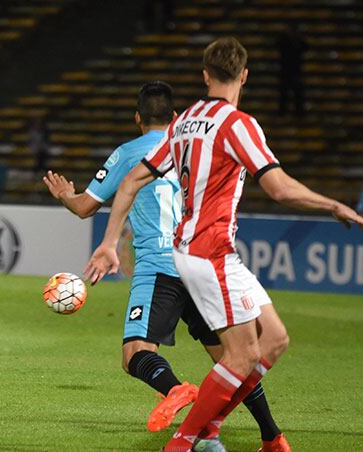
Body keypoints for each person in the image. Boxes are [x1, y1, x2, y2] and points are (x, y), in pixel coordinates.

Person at [85, 37, 363, 452]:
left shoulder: (185, 122)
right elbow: (279, 189)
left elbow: (130, 182)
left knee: (274, 340)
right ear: (244, 76)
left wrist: (110, 242)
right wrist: (332, 204)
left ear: (205, 74)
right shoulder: (238, 125)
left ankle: (252, 436)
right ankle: (186, 440)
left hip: (200, 252)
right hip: (208, 252)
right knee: (241, 355)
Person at [45, 81, 284, 448]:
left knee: (135, 354)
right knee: (232, 360)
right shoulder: (189, 145)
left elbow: (84, 207)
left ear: (137, 118)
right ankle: (272, 436)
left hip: (159, 264)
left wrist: (65, 195)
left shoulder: (128, 153)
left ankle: (176, 390)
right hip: (201, 261)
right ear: (174, 116)